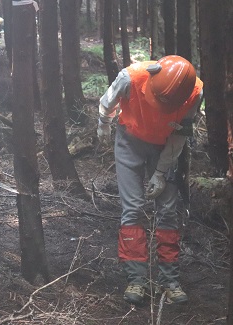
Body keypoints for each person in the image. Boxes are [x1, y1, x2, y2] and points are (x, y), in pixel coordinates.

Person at [96, 55, 203, 305]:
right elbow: (107, 102)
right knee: (132, 208)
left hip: (165, 147)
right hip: (129, 141)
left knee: (167, 211)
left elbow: (180, 136)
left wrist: (161, 172)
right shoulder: (130, 77)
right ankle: (136, 279)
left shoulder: (194, 93)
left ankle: (170, 281)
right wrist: (103, 123)